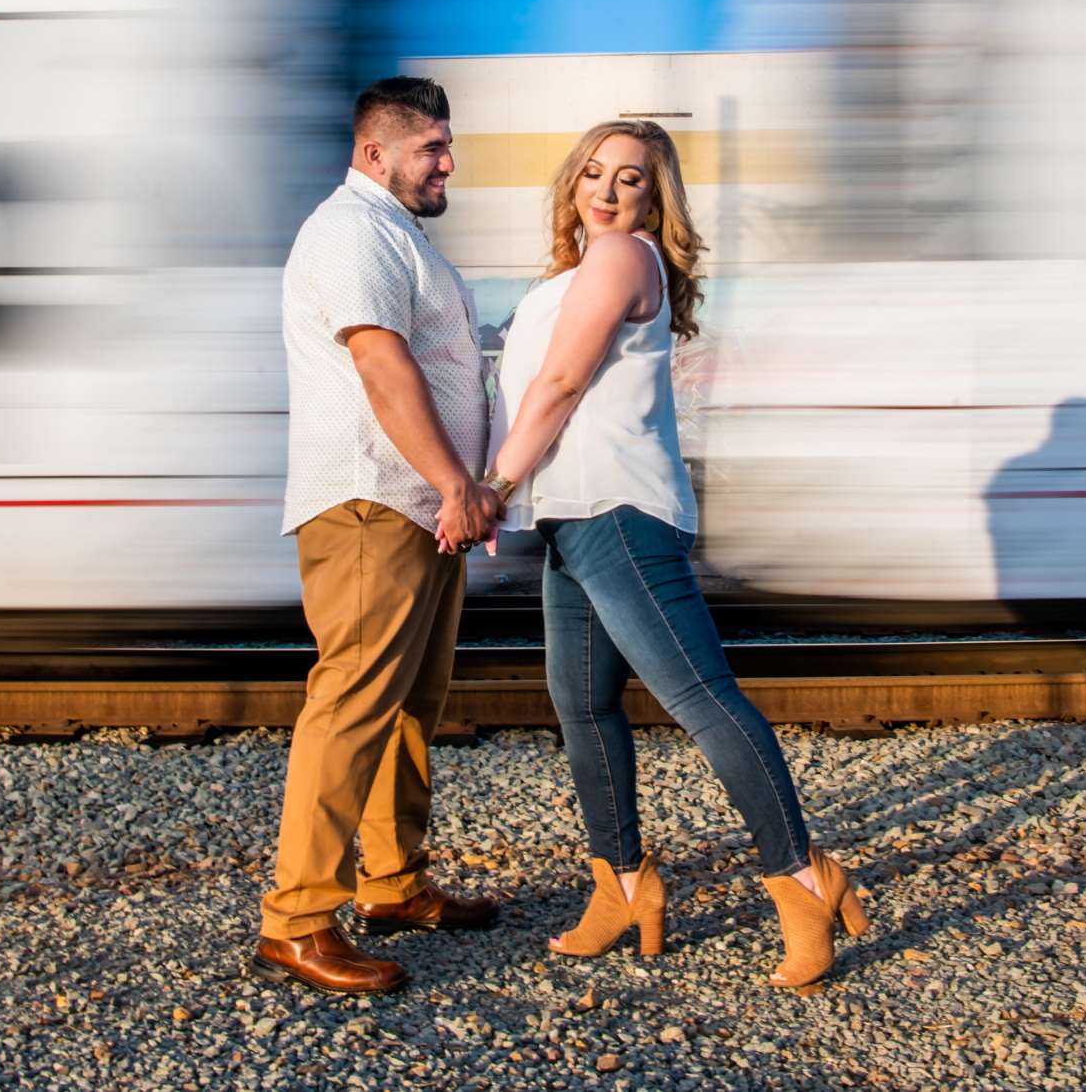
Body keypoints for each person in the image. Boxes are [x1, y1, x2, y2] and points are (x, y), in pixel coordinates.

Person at [484, 119, 867, 991]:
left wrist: (491, 489)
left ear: (657, 199)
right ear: (571, 182)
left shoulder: (624, 258)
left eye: (631, 179)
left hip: (617, 511)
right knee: (583, 707)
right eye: (593, 173)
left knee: (700, 698)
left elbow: (560, 385)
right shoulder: (571, 274)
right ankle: (623, 885)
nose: (608, 191)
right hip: (571, 516)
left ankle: (805, 877)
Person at [252, 76, 504, 996]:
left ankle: (392, 884)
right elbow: (379, 357)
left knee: (408, 704)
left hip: (416, 507)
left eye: (447, 145)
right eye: (433, 146)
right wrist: (453, 480)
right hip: (373, 501)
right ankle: (297, 922)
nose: (448, 162)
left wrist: (458, 488)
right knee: (353, 702)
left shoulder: (394, 232)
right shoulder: (354, 230)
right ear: (376, 152)